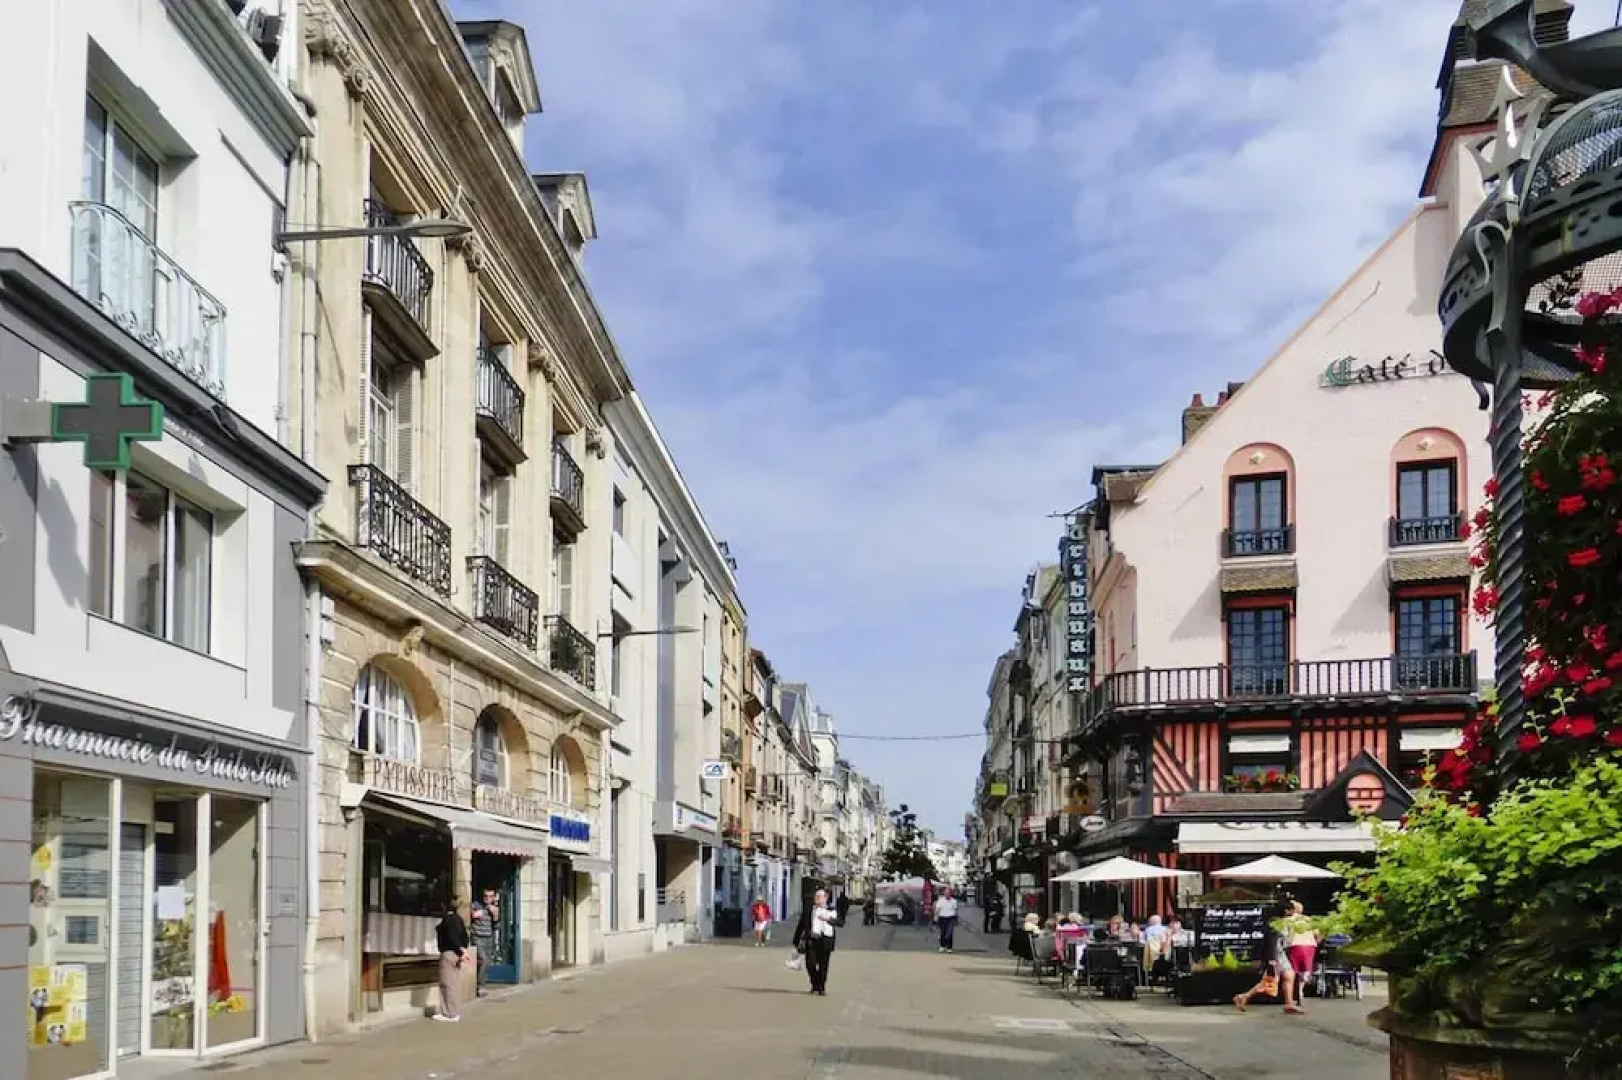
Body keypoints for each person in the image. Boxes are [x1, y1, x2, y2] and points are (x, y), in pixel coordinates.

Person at [1234, 900, 1302, 1015]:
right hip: (1275, 954)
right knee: (1271, 980)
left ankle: (1289, 1003)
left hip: (1279, 953)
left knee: (1288, 975)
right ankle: (1244, 996)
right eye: (1292, 909)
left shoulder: (1283, 922)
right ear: (1286, 911)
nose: (1294, 912)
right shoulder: (1276, 923)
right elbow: (1271, 941)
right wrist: (1272, 959)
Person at [792, 887, 839, 995]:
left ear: (825, 898)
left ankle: (821, 987)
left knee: (823, 965)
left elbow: (840, 922)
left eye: (819, 896)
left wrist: (829, 919)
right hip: (812, 940)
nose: (816, 898)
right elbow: (801, 925)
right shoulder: (809, 909)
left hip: (826, 941)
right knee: (810, 964)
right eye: (815, 896)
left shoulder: (831, 910)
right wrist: (796, 942)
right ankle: (815, 983)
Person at [433, 897, 471, 1022]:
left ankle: (449, 1013)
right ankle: (453, 1011)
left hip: (448, 953)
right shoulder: (458, 919)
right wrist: (463, 951)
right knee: (453, 984)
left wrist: (460, 951)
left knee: (447, 984)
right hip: (456, 955)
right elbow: (465, 938)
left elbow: (452, 938)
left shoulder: (448, 920)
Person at [469, 887, 500, 997]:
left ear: (494, 897)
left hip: (489, 937)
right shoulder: (476, 905)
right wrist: (474, 914)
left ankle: (481, 983)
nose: (488, 898)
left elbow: (496, 926)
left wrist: (495, 916)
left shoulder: (494, 908)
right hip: (477, 937)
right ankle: (480, 986)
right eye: (486, 896)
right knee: (483, 959)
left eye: (490, 896)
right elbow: (468, 916)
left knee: (486, 962)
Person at [933, 887, 960, 953]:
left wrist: (956, 919)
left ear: (951, 894)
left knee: (949, 933)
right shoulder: (940, 901)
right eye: (946, 893)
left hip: (951, 918)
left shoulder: (954, 901)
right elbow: (937, 909)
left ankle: (949, 947)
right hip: (942, 918)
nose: (947, 894)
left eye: (949, 893)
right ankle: (942, 946)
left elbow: (956, 910)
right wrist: (935, 917)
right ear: (944, 893)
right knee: (943, 932)